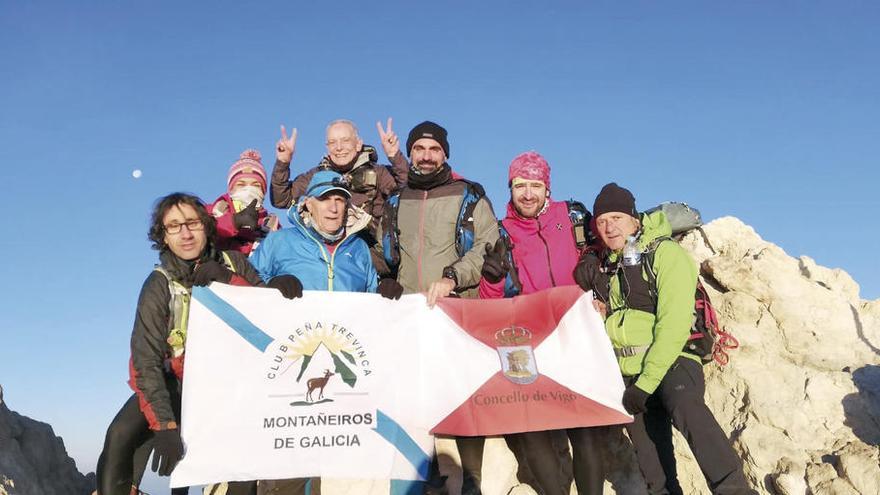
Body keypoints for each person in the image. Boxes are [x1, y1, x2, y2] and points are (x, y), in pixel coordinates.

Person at [96, 193, 293, 495]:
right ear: (163, 236)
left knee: (241, 466)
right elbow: (145, 361)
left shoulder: (234, 263)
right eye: (173, 226)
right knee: (120, 435)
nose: (185, 234)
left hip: (232, 385)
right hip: (178, 382)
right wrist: (164, 427)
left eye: (192, 223)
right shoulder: (159, 284)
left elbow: (267, 320)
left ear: (207, 225)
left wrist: (228, 280)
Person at [574, 183, 755, 495]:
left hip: (673, 360)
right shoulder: (611, 265)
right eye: (602, 221)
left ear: (634, 219)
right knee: (653, 465)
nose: (609, 226)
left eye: (617, 217)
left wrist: (646, 382)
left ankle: (735, 490)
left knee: (686, 406)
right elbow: (623, 323)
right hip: (630, 372)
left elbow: (673, 324)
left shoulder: (665, 254)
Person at [250, 170, 401, 495]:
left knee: (343, 472)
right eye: (325, 199)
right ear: (308, 205)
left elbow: (371, 301)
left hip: (348, 376)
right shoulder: (279, 242)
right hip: (286, 371)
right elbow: (246, 287)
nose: (334, 208)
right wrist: (269, 287)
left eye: (340, 200)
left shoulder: (358, 249)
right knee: (288, 477)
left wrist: (384, 293)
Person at [375, 121, 500, 495]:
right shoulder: (397, 201)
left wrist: (453, 276)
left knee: (462, 395)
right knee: (414, 395)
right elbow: (385, 254)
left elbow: (488, 246)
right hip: (412, 314)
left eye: (434, 149)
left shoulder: (469, 195)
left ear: (445, 154)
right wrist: (386, 280)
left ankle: (472, 479)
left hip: (457, 310)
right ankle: (426, 474)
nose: (426, 156)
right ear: (410, 154)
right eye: (419, 149)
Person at [478, 151, 605, 495]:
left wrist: (593, 257)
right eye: (520, 185)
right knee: (531, 428)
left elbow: (605, 248)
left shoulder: (574, 216)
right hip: (531, 341)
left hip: (575, 336)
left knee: (586, 430)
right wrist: (490, 278)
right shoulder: (502, 232)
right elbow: (491, 305)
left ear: (548, 188)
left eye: (536, 185)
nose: (528, 193)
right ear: (511, 188)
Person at [269, 119, 408, 236]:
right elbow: (281, 199)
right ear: (327, 147)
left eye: (345, 140)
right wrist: (283, 162)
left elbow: (407, 192)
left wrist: (394, 155)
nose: (339, 147)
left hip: (369, 252)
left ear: (358, 144)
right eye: (332, 142)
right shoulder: (317, 176)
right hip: (327, 253)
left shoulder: (379, 173)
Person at [209, 149, 280, 255]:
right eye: (241, 184)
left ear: (263, 192)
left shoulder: (271, 225)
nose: (249, 190)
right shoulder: (211, 212)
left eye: (256, 185)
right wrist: (233, 222)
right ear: (231, 189)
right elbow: (200, 233)